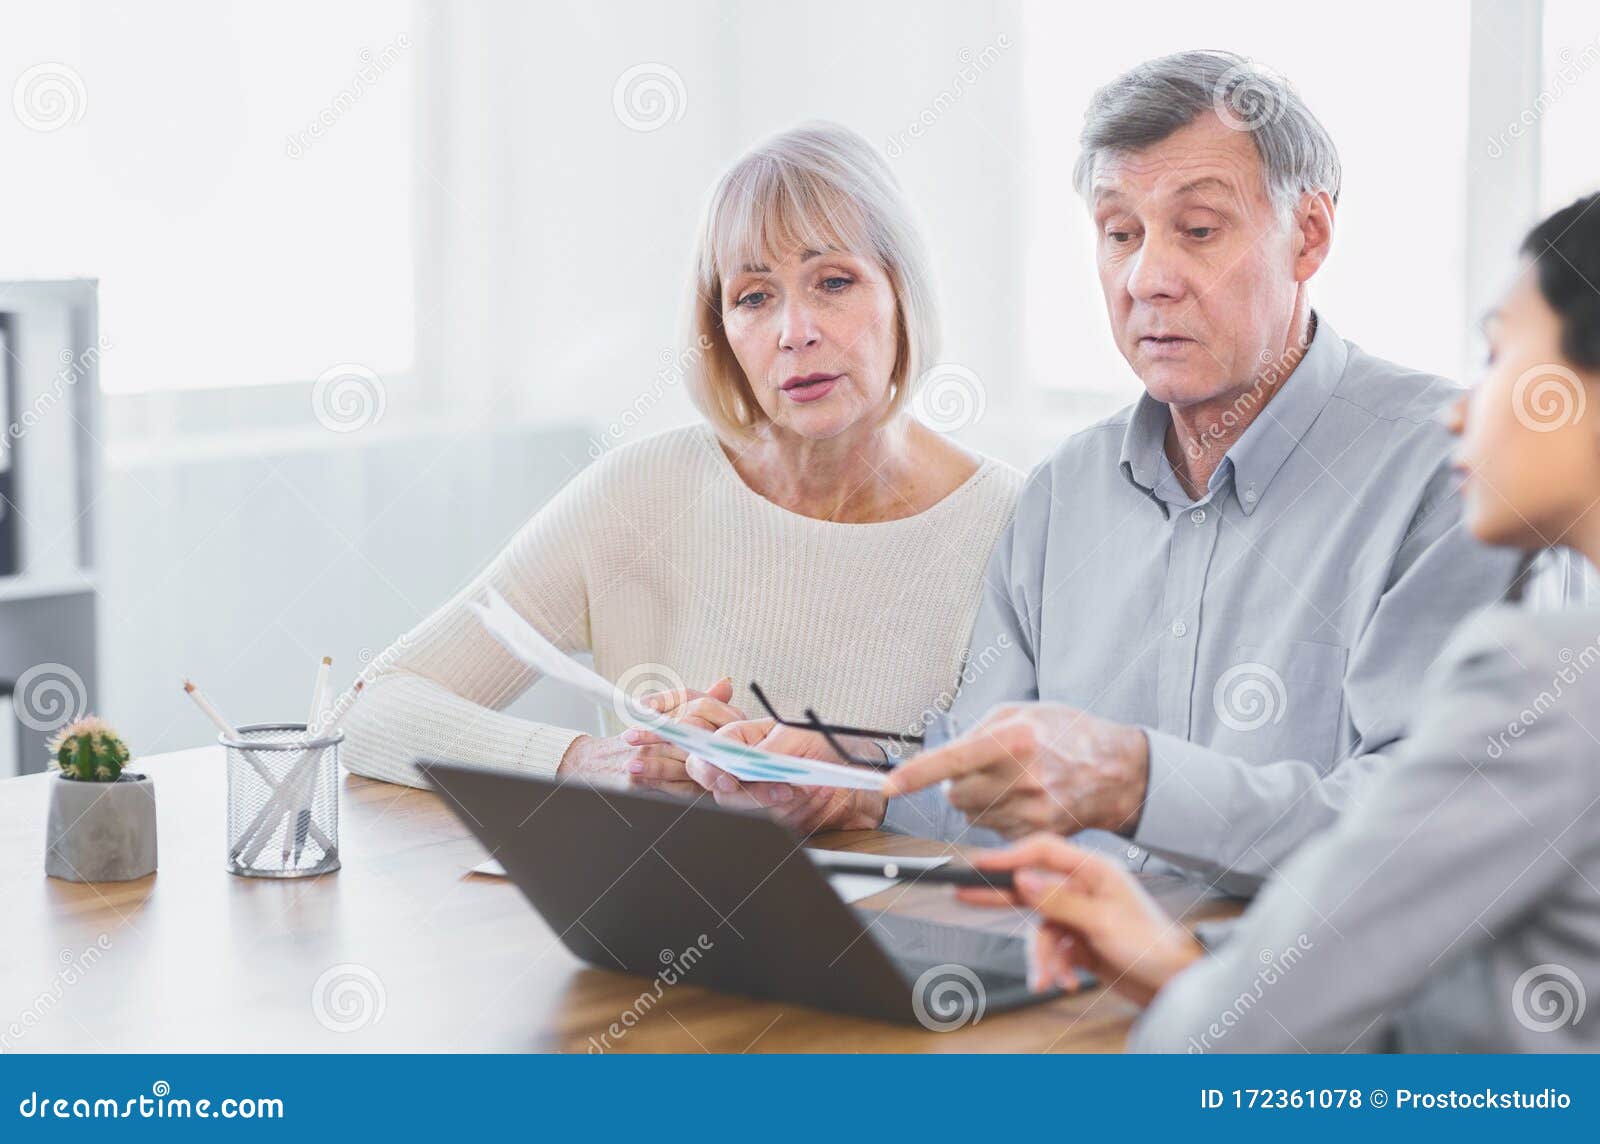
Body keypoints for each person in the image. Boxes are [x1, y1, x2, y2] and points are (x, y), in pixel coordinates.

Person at [699, 51, 1570, 893]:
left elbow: (1423, 830)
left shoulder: (1453, 471)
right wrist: (851, 784)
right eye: (1120, 234)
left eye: (1198, 231)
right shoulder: (1062, 495)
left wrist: (1141, 784)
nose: (1149, 278)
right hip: (1057, 995)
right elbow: (989, 788)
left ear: (1309, 234)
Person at [961, 193, 1600, 1052]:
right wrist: (1196, 969)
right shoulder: (1063, 486)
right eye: (1118, 234)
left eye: (1496, 356)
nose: (1462, 410)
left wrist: (1209, 993)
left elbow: (1224, 1047)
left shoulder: (1551, 678)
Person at [339, 122, 1022, 795]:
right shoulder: (641, 493)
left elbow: (1035, 798)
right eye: (753, 297)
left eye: (834, 282)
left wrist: (855, 792)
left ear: (901, 292)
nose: (795, 333)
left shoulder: (1013, 522)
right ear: (718, 332)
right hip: (664, 902)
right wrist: (589, 762)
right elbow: (370, 710)